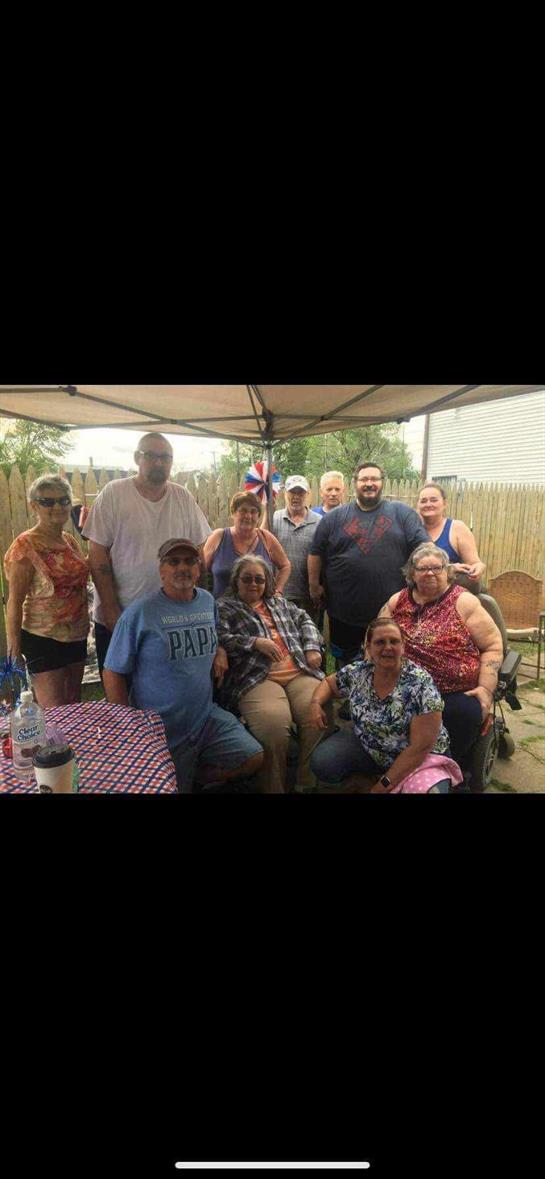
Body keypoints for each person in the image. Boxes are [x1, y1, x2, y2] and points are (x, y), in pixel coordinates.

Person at [102, 538, 263, 793]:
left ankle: (201, 776)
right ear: (161, 570)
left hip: (204, 717)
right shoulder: (140, 613)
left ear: (199, 569)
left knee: (253, 756)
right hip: (161, 728)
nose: (182, 568)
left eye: (190, 561)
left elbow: (212, 634)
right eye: (173, 561)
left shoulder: (208, 601)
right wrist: (129, 727)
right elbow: (112, 671)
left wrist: (219, 648)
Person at [83, 432, 211, 675]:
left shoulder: (182, 497)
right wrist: (111, 610)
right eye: (151, 456)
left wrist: (196, 606)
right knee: (122, 694)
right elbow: (96, 553)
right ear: (136, 458)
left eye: (166, 457)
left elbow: (199, 552)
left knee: (163, 689)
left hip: (171, 619)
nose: (159, 462)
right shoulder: (114, 493)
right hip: (123, 617)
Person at [380, 542, 504, 768]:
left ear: (448, 572)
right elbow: (374, 639)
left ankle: (447, 766)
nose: (429, 573)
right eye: (422, 568)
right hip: (403, 686)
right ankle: (400, 762)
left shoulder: (463, 601)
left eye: (436, 568)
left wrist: (486, 688)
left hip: (452, 692)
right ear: (411, 573)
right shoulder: (397, 600)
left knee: (466, 713)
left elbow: (493, 646)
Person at [217, 555, 332, 793]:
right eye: (246, 578)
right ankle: (273, 787)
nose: (253, 584)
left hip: (298, 670)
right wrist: (254, 642)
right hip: (258, 677)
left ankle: (306, 782)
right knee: (273, 728)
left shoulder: (280, 603)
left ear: (267, 583)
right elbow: (219, 638)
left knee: (316, 713)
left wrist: (311, 647)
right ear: (236, 581)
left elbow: (305, 620)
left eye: (259, 579)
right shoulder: (224, 607)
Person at [309, 617, 462, 793]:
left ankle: (387, 782)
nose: (388, 647)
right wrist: (315, 703)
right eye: (380, 642)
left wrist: (382, 786)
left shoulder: (420, 683)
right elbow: (329, 683)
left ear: (403, 646)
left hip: (420, 759)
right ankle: (367, 779)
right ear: (368, 647)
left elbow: (420, 747)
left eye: (394, 641)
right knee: (323, 761)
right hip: (372, 749)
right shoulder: (359, 672)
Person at [308, 462, 428, 667]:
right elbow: (315, 552)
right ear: (355, 484)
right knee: (345, 664)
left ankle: (382, 698)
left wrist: (441, 566)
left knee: (387, 661)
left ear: (382, 483)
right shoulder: (335, 517)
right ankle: (346, 697)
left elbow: (425, 547)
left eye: (374, 479)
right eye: (364, 479)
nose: (369, 483)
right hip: (343, 611)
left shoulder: (402, 514)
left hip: (390, 611)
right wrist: (313, 585)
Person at [4, 474, 90, 706]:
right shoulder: (25, 546)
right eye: (48, 502)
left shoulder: (70, 542)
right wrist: (14, 650)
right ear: (34, 506)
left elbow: (81, 574)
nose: (57, 507)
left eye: (63, 500)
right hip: (44, 638)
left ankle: (72, 744)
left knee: (73, 703)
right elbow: (14, 601)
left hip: (77, 635)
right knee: (55, 710)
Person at [203, 491, 291, 599]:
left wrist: (278, 591)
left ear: (258, 516)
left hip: (259, 611)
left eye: (253, 512)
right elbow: (200, 570)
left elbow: (285, 566)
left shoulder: (266, 538)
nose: (248, 516)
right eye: (243, 511)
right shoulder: (218, 537)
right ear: (233, 513)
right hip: (223, 611)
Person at [417, 483, 486, 589]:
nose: (428, 504)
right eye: (423, 501)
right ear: (418, 505)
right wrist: (449, 568)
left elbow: (475, 563)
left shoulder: (457, 528)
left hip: (454, 593)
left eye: (434, 500)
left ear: (444, 503)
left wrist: (478, 568)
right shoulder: (412, 530)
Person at [272, 475, 321, 617]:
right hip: (280, 592)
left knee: (310, 636)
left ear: (307, 495)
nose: (296, 497)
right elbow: (262, 541)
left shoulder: (319, 522)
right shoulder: (275, 517)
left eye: (300, 493)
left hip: (308, 595)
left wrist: (317, 587)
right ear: (285, 494)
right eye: (292, 492)